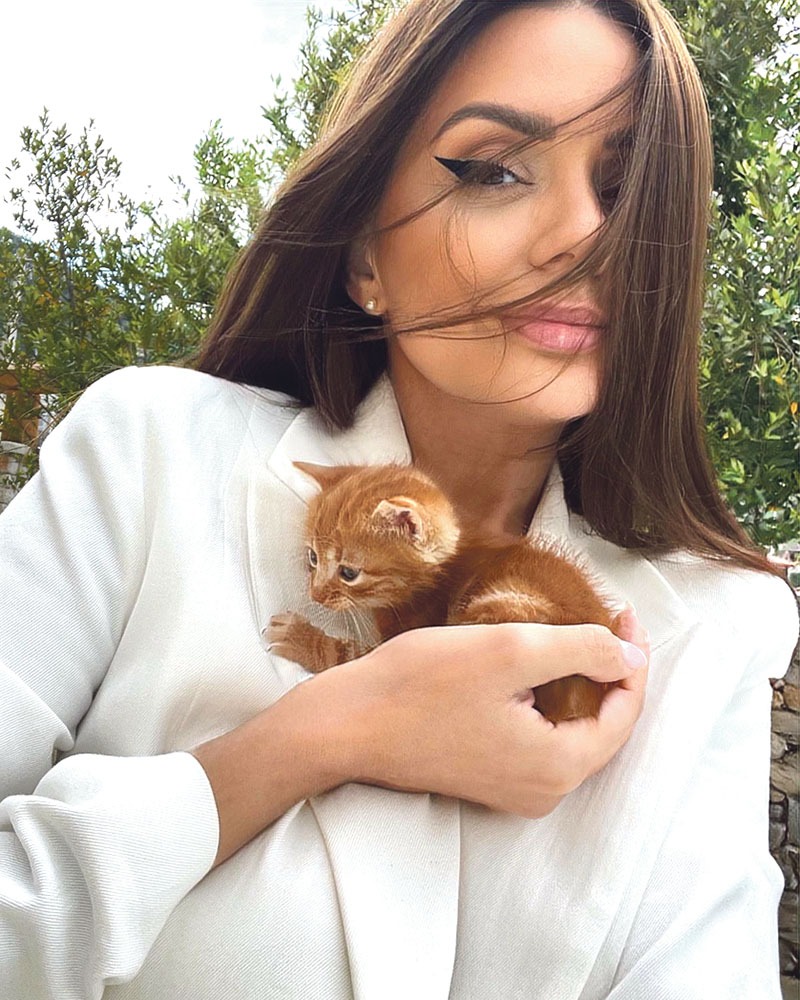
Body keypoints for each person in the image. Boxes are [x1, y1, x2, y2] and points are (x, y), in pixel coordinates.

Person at [1, 0, 796, 997]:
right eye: (495, 169)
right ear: (364, 254)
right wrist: (329, 733)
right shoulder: (145, 458)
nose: (583, 236)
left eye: (624, 188)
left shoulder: (714, 627)